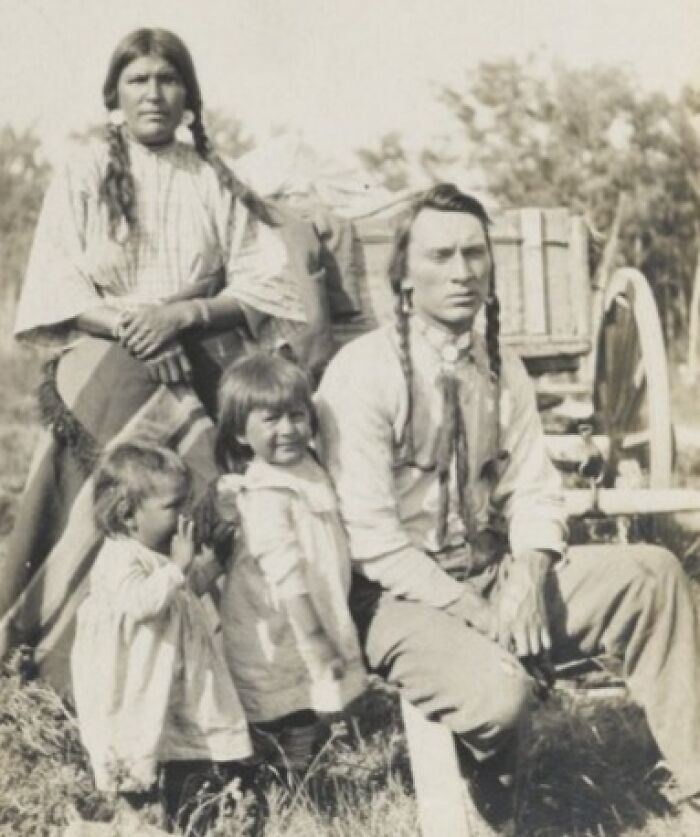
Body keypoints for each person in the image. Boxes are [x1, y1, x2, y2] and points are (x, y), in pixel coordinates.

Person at [316, 183, 700, 827]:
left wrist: (528, 574)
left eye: (475, 254)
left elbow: (534, 488)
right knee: (500, 696)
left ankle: (695, 779)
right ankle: (497, 791)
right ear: (404, 279)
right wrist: (478, 611)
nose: (462, 272)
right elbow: (371, 538)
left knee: (652, 575)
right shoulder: (362, 374)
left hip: (492, 572)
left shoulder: (502, 368)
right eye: (441, 257)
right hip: (393, 597)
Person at [0, 27, 335, 691]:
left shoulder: (213, 176)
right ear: (114, 95)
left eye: (167, 79)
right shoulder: (82, 173)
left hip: (200, 354)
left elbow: (264, 284)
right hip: (105, 357)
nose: (154, 93)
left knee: (207, 489)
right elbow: (57, 288)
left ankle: (205, 669)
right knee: (105, 456)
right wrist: (140, 330)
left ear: (188, 96)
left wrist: (180, 317)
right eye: (138, 80)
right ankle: (53, 656)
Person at [71, 441, 252, 829]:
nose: (185, 514)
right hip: (135, 682)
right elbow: (142, 603)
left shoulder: (159, 554)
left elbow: (183, 594)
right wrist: (179, 567)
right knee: (141, 752)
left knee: (181, 746)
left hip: (169, 675)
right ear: (127, 515)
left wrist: (213, 564)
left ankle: (191, 810)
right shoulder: (118, 558)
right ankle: (138, 816)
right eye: (173, 506)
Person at [214, 352, 366, 771]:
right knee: (285, 705)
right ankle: (284, 778)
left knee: (309, 701)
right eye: (271, 420)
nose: (288, 430)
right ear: (241, 436)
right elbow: (286, 574)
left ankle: (299, 769)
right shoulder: (264, 492)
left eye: (296, 416)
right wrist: (316, 636)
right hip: (281, 620)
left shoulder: (311, 468)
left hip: (315, 607)